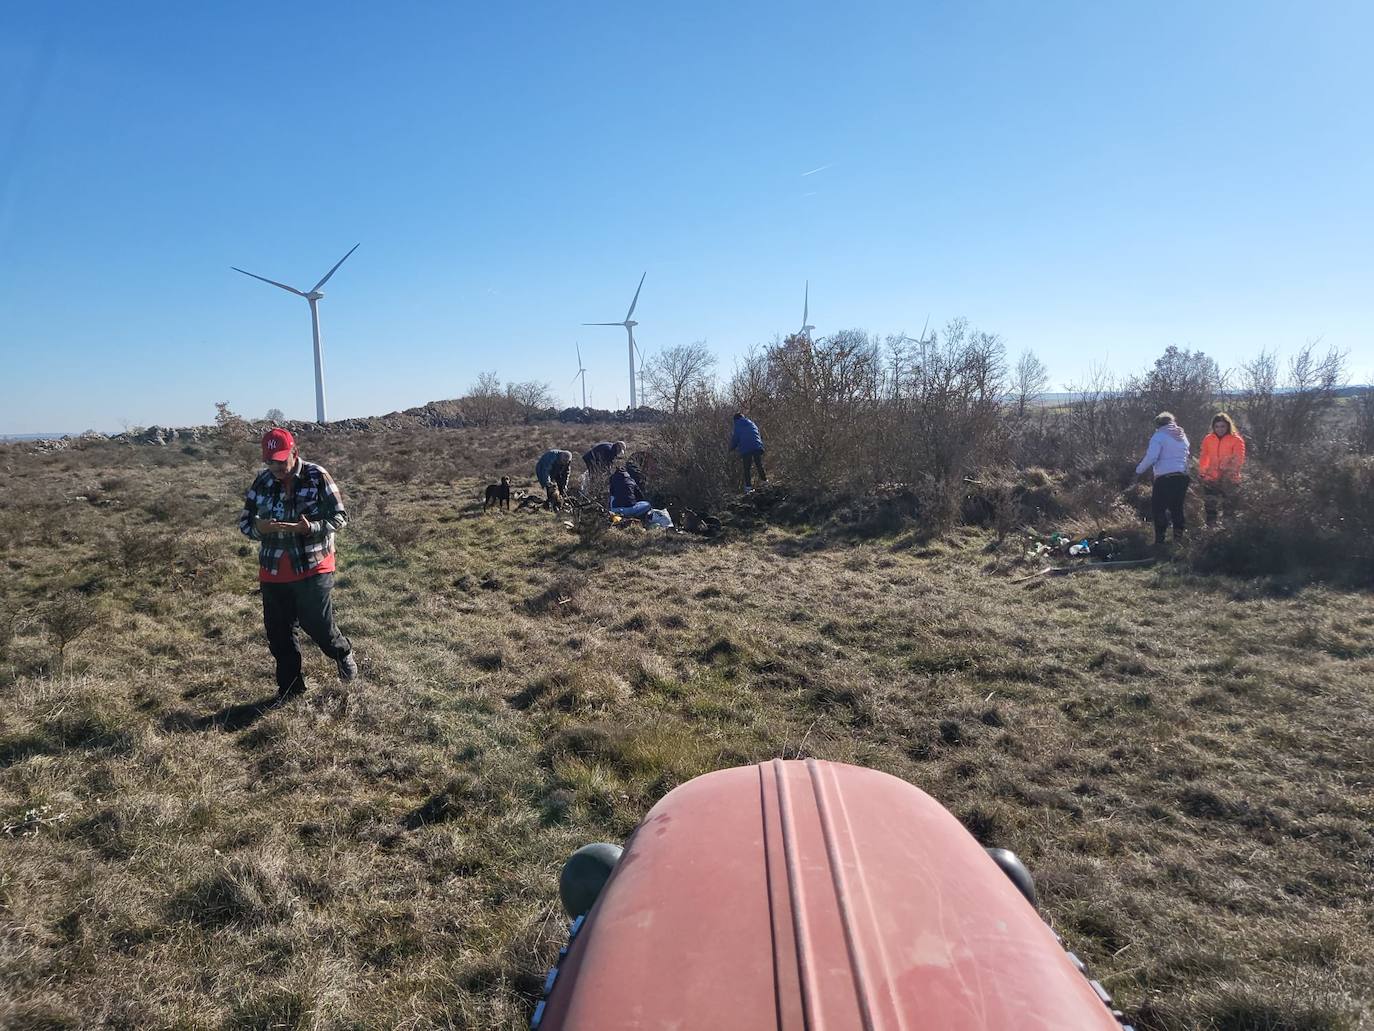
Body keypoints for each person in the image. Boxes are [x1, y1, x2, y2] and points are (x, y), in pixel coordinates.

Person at [238, 428, 355, 699]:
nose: (276, 467)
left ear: (295, 452)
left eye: (281, 460)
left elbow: (340, 518)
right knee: (279, 634)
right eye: (270, 461)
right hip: (273, 569)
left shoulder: (317, 476)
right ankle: (290, 689)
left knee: (317, 625)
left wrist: (310, 528)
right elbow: (245, 523)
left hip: (313, 564)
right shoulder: (262, 481)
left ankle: (342, 653)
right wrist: (261, 530)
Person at [1135, 411, 1191, 546]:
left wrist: (1138, 470)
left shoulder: (1159, 436)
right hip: (1182, 476)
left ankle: (1160, 540)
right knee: (1177, 508)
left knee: (1158, 508)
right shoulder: (1182, 436)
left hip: (1165, 477)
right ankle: (1178, 540)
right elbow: (1186, 454)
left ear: (1158, 424)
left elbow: (1152, 457)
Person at [1198, 412, 1246, 527]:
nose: (1220, 429)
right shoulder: (1208, 439)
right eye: (1217, 426)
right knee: (1210, 509)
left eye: (1223, 426)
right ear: (1213, 427)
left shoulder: (1236, 440)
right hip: (1211, 478)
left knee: (1228, 510)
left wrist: (1228, 473)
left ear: (1228, 426)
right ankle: (1210, 531)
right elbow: (1204, 456)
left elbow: (1239, 459)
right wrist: (1202, 472)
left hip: (1230, 480)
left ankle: (1227, 534)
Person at [730, 413, 767, 493]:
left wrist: (731, 448)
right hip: (757, 446)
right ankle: (765, 481)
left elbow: (736, 438)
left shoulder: (738, 425)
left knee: (747, 468)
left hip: (746, 448)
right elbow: (757, 433)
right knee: (759, 464)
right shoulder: (751, 423)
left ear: (735, 420)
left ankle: (748, 487)